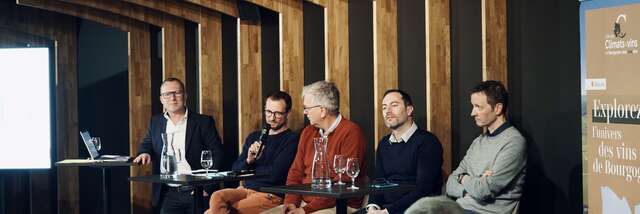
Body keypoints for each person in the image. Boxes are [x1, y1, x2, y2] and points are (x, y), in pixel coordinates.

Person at [264, 80, 367, 214]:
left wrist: (306, 210)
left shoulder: (351, 132)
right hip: (304, 204)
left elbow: (342, 183)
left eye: (307, 108)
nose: (305, 112)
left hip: (338, 205)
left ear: (322, 110)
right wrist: (290, 203)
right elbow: (296, 172)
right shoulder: (308, 132)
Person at [133, 77, 224, 214]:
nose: (172, 98)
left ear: (185, 95)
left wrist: (207, 188)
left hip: (197, 191)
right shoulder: (156, 122)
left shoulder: (203, 122)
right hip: (168, 192)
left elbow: (218, 153)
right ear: (161, 99)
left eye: (177, 93)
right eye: (167, 94)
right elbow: (147, 143)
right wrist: (144, 152)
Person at [204, 91, 298, 214]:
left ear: (287, 113)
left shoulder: (291, 139)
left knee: (211, 213)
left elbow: (275, 174)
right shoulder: (254, 137)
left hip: (269, 194)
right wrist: (249, 160)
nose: (271, 117)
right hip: (245, 190)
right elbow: (235, 170)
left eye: (278, 113)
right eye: (268, 112)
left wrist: (249, 172)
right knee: (216, 196)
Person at [445, 80, 526, 214]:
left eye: (478, 107)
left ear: (498, 108)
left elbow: (484, 190)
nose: (472, 113)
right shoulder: (478, 142)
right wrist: (470, 186)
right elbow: (450, 183)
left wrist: (463, 178)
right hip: (459, 208)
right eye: (473, 106)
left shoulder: (514, 142)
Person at [364, 89, 443, 214]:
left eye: (394, 105)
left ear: (409, 110)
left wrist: (387, 211)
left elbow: (424, 190)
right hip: (384, 209)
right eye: (384, 107)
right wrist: (373, 207)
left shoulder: (427, 142)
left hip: (416, 210)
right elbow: (378, 181)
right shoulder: (384, 144)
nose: (388, 111)